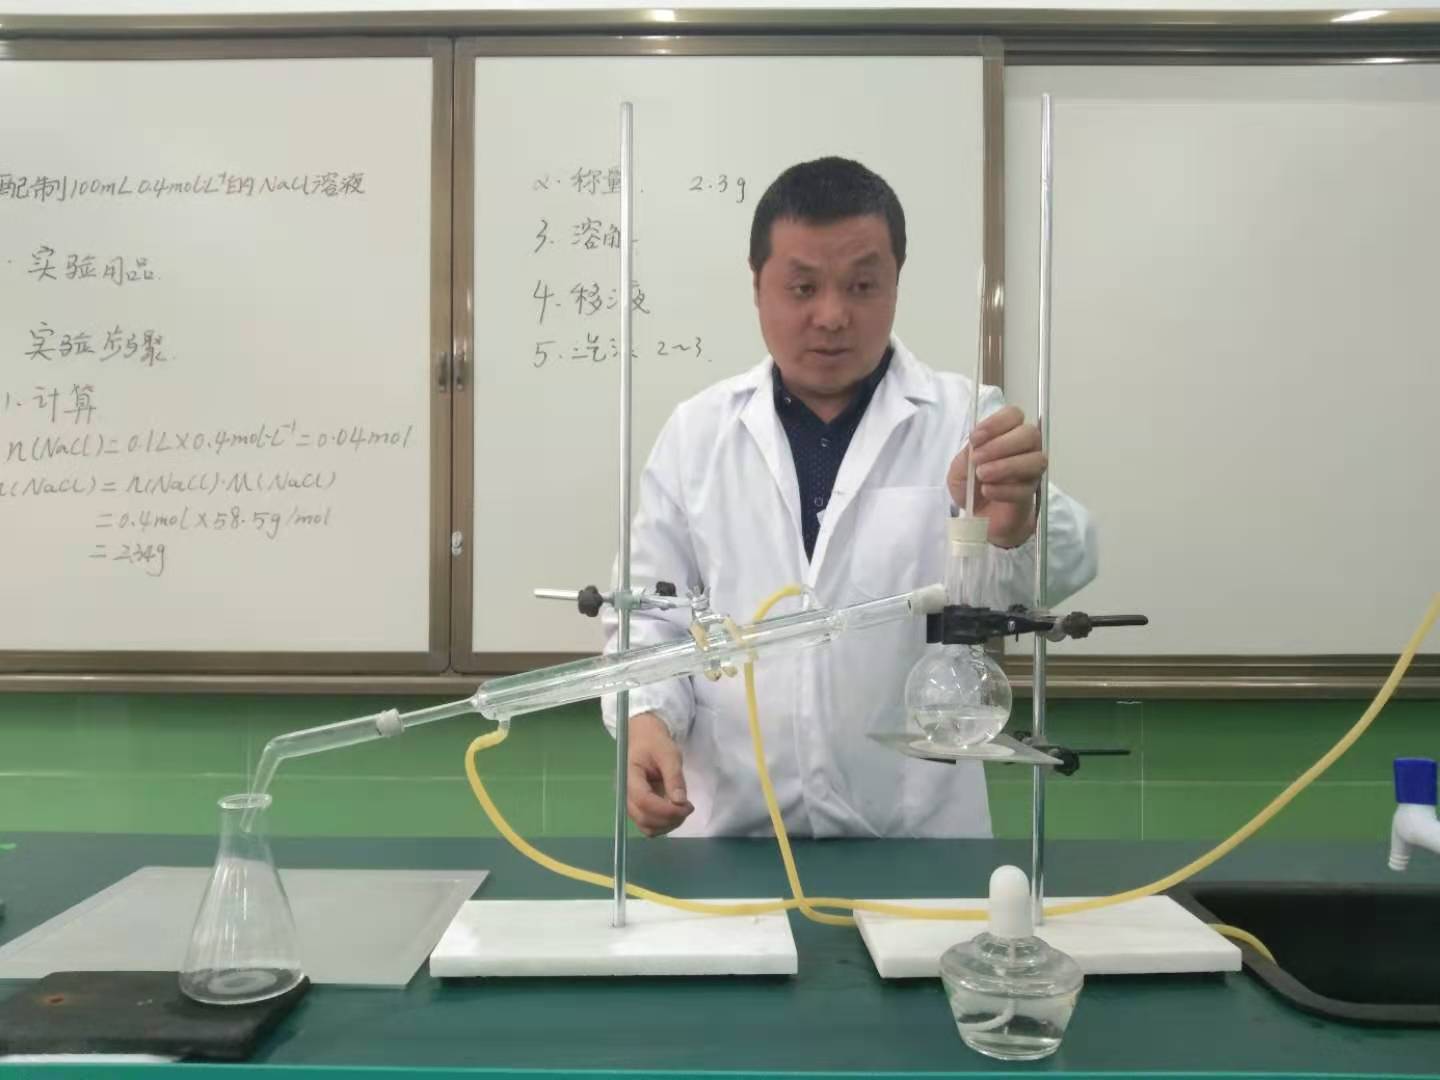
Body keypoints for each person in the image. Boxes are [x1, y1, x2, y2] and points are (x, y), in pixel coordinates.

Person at [602, 156, 1096, 839]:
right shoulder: (697, 435)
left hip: (915, 840)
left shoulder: (965, 422)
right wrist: (648, 719)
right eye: (803, 287)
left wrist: (1016, 528)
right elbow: (649, 617)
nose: (832, 316)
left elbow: (1057, 573)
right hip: (734, 837)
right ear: (757, 286)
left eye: (862, 286)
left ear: (896, 283)